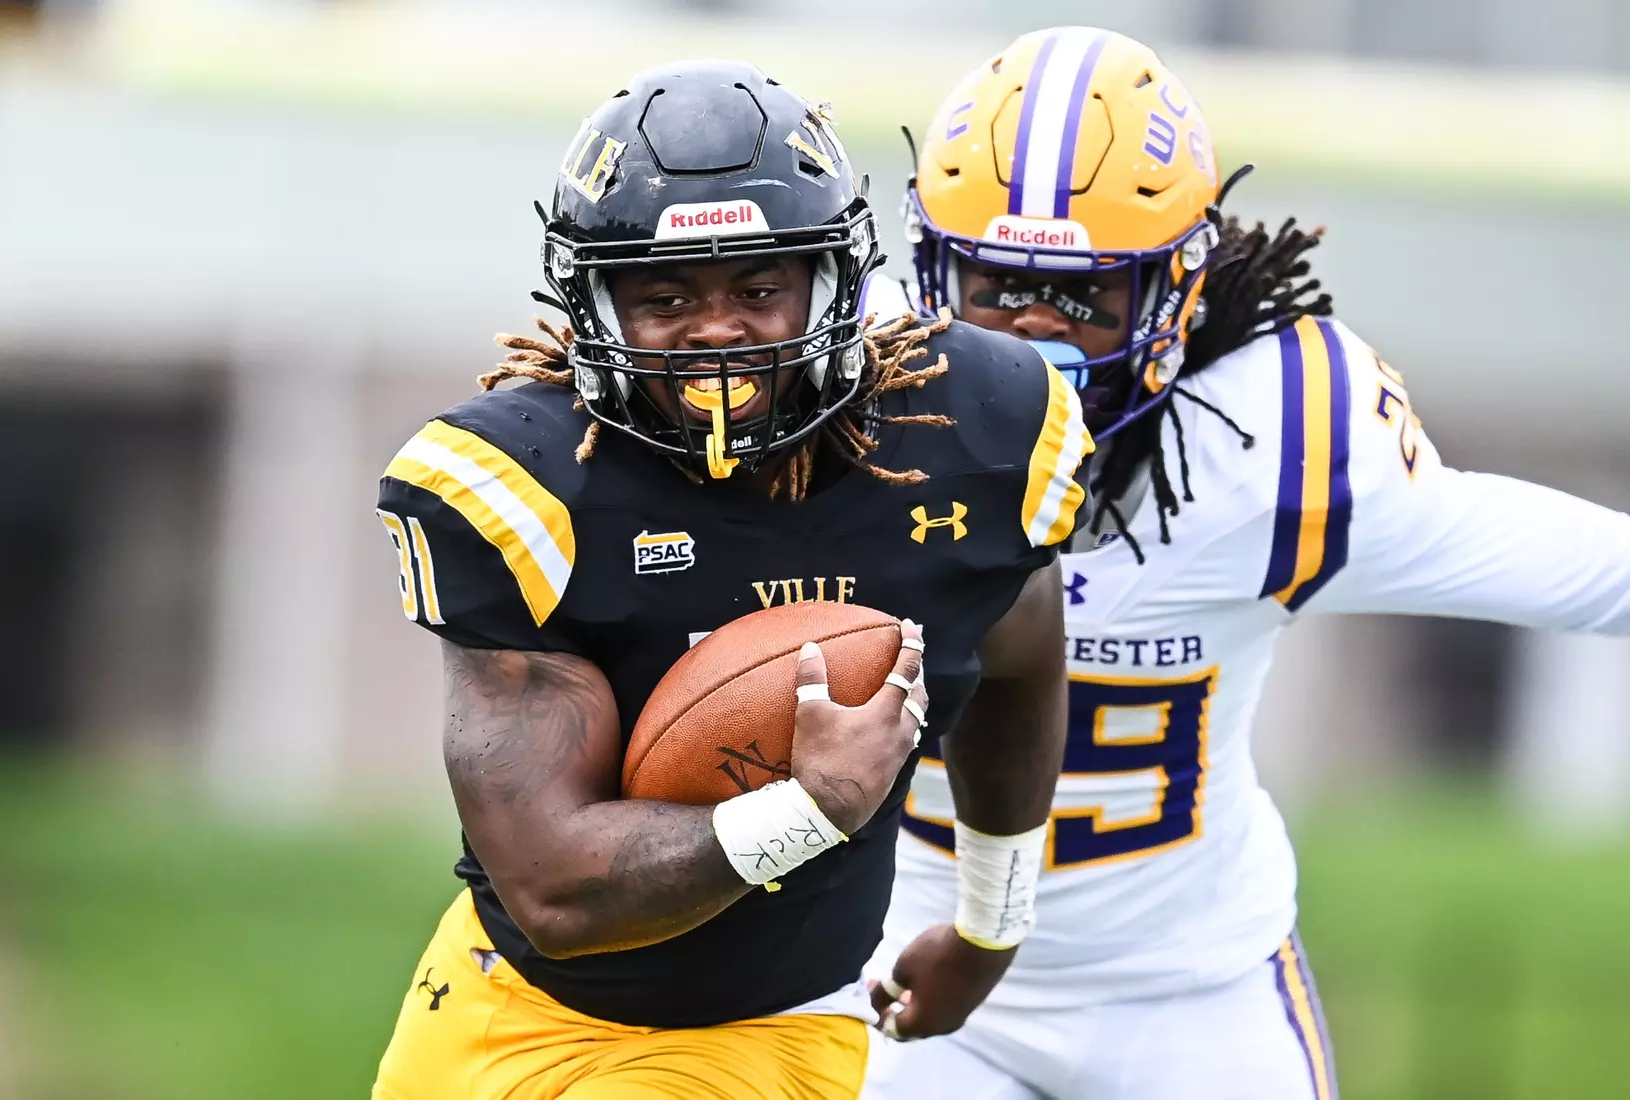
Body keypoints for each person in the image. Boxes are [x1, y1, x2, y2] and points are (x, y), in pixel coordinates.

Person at [862, 26, 1630, 1100]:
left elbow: (1580, 566)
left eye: (1085, 299)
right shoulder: (842, 412)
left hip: (1189, 991)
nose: (1031, 338)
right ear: (931, 270)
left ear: (1177, 291)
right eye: (998, 285)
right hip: (896, 970)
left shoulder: (1273, 442)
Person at [369, 59, 1095, 1100]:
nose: (716, 330)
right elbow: (552, 887)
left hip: (760, 1031)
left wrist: (992, 919)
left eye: (759, 288)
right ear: (593, 301)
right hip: (504, 1002)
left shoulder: (969, 435)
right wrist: (812, 805)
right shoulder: (524, 484)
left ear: (834, 280)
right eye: (665, 296)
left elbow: (1017, 659)